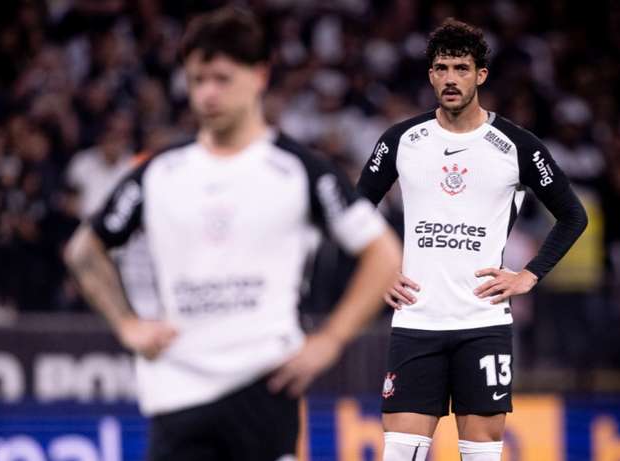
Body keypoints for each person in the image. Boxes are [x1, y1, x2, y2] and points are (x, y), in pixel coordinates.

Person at [64, 7, 401, 461]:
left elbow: (383, 255)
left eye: (222, 79)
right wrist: (127, 325)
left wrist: (331, 340)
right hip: (177, 392)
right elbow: (84, 250)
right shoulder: (159, 173)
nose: (207, 93)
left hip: (264, 387)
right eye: (197, 80)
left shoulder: (299, 170)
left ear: (259, 75)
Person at [356, 19, 588, 461]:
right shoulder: (402, 140)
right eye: (442, 68)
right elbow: (354, 212)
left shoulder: (517, 146)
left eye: (461, 68)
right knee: (399, 452)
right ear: (430, 74)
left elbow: (573, 215)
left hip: (483, 324)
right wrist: (378, 272)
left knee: (481, 453)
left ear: (481, 74)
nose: (451, 78)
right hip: (416, 321)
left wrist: (529, 275)